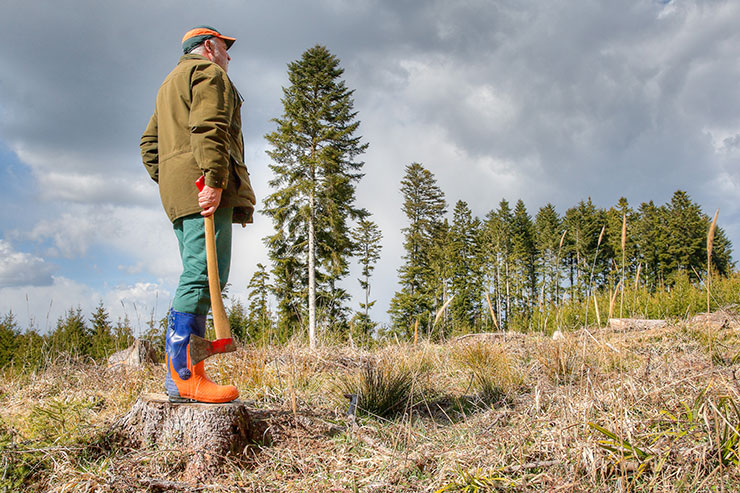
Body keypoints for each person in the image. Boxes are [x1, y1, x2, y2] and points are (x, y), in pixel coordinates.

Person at [140, 26, 256, 403]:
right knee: (204, 274)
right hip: (205, 187)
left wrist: (171, 179)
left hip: (181, 193)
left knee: (199, 272)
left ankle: (186, 372)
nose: (228, 57)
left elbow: (149, 146)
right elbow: (210, 128)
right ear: (209, 47)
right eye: (225, 48)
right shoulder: (208, 73)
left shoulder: (168, 83)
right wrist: (213, 179)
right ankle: (185, 376)